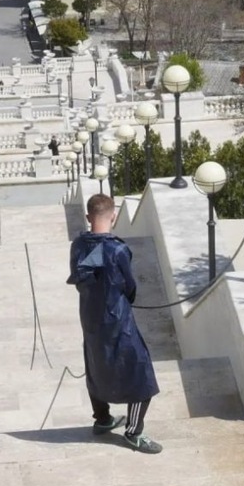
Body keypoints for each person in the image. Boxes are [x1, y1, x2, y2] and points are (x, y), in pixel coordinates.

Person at [68, 194, 163, 453]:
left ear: (88, 217)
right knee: (141, 374)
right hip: (118, 322)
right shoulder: (118, 249)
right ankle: (133, 432)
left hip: (90, 319)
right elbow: (130, 287)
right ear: (113, 216)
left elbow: (81, 279)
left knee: (96, 365)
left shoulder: (77, 245)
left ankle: (102, 418)